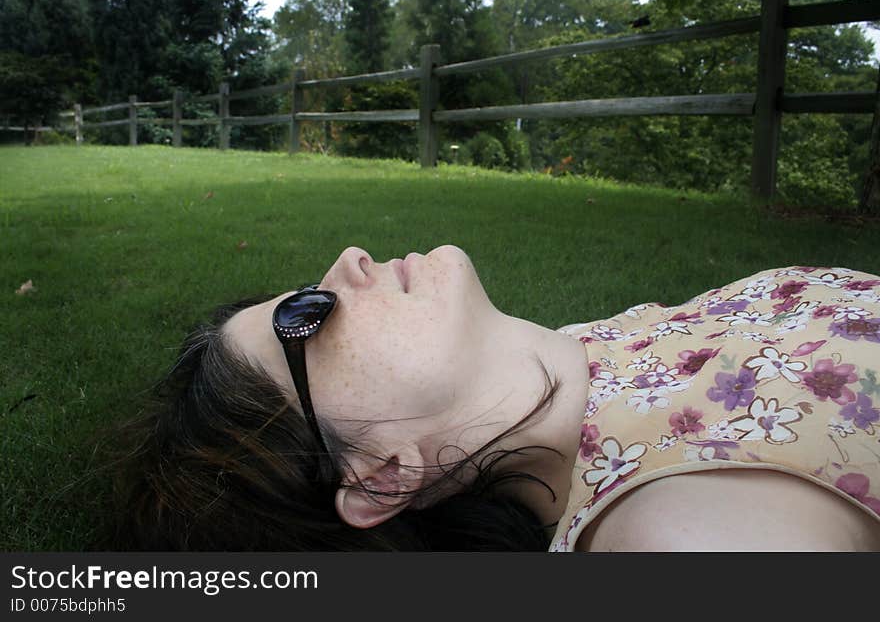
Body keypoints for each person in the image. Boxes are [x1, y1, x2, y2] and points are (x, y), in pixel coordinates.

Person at [115, 245, 880, 551]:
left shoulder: (593, 347)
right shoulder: (683, 532)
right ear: (382, 474)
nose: (346, 260)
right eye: (305, 319)